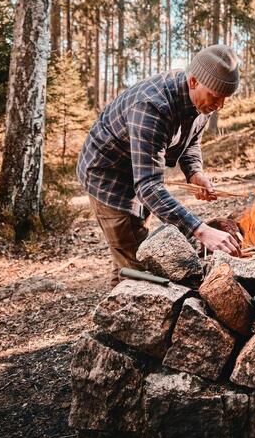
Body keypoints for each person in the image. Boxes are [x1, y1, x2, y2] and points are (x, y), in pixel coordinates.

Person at [77, 44, 243, 285]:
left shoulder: (201, 102)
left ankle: (122, 286)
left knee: (134, 251)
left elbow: (191, 139)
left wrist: (194, 172)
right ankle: (124, 311)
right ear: (194, 81)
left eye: (224, 99)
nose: (219, 106)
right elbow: (148, 187)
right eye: (216, 98)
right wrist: (200, 230)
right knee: (138, 268)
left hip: (139, 172)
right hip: (108, 177)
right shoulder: (152, 106)